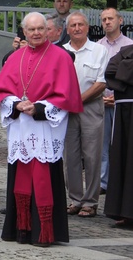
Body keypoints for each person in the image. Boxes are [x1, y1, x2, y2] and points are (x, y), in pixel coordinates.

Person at [0, 12, 83, 247]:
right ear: (24, 32)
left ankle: (45, 232)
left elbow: (67, 95)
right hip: (21, 127)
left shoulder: (61, 57)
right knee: (21, 174)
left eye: (41, 28)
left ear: (48, 30)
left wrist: (40, 108)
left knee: (44, 176)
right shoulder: (14, 57)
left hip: (45, 128)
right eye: (31, 30)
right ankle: (20, 229)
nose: (36, 33)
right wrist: (16, 104)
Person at [63, 12, 109, 218]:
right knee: (70, 157)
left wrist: (78, 100)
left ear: (88, 28)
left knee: (92, 156)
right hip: (66, 111)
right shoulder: (61, 51)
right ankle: (75, 199)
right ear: (67, 29)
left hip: (91, 108)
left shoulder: (99, 50)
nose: (77, 28)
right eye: (72, 25)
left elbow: (101, 83)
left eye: (80, 24)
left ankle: (90, 202)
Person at [98, 8, 133, 196]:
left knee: (121, 143)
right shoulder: (98, 46)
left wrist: (116, 96)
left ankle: (119, 180)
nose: (107, 22)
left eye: (110, 18)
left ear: (120, 20)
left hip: (123, 103)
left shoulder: (130, 45)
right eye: (104, 19)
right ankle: (104, 182)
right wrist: (102, 96)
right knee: (103, 145)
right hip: (102, 100)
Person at [104, 43, 133, 226]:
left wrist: (125, 71)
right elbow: (111, 71)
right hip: (124, 114)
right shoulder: (126, 51)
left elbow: (119, 73)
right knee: (123, 160)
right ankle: (125, 212)